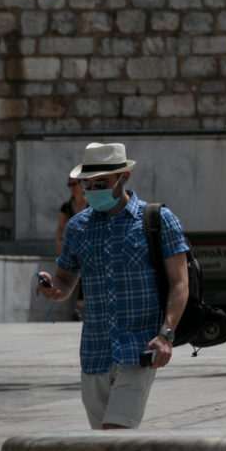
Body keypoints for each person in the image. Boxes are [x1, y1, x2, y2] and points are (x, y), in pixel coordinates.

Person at [37, 142, 190, 430]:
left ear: (124, 179)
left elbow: (180, 283)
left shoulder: (158, 220)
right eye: (88, 184)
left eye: (102, 183)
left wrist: (166, 334)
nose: (93, 191)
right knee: (105, 449)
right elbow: (66, 280)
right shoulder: (78, 227)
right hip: (94, 352)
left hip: (140, 349)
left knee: (115, 432)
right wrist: (53, 287)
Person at [55, 175, 88, 320]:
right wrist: (58, 243)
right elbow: (60, 228)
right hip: (74, 246)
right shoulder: (67, 207)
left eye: (74, 183)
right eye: (70, 185)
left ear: (81, 185)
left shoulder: (90, 204)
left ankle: (80, 306)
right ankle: (79, 306)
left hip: (88, 244)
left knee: (84, 273)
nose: (72, 187)